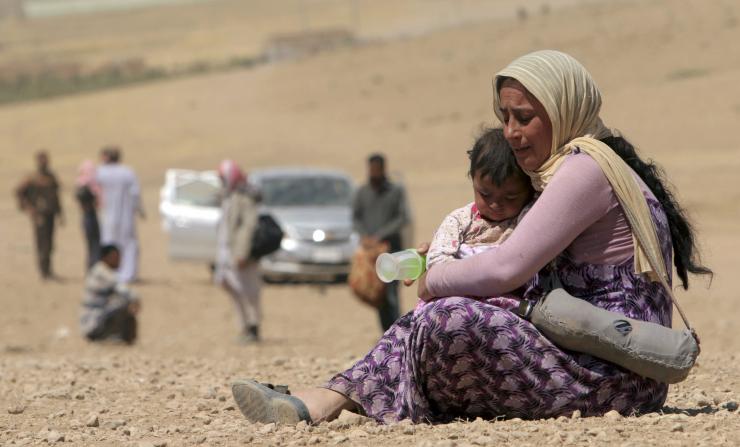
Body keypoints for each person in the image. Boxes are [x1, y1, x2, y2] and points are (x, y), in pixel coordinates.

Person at [230, 50, 712, 424]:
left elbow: (507, 269)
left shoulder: (586, 170)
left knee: (447, 318)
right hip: (588, 354)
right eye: (505, 117)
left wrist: (436, 277)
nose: (512, 132)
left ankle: (325, 400)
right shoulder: (584, 164)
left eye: (525, 117)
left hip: (614, 374)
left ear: (564, 108)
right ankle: (325, 400)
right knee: (445, 319)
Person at [417, 127, 534, 312]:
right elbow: (438, 260)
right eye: (485, 194)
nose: (496, 205)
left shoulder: (529, 217)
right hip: (454, 297)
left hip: (507, 305)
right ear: (473, 180)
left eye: (510, 197)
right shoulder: (459, 220)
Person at [352, 153, 409, 331]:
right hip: (371, 253)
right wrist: (365, 237)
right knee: (377, 294)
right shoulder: (362, 192)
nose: (374, 172)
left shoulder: (395, 191)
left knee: (392, 294)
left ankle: (398, 331)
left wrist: (380, 236)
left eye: (377, 169)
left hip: (392, 250)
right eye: (372, 169)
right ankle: (385, 334)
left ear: (383, 169)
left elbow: (402, 218)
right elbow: (356, 218)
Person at [214, 160, 262, 344]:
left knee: (249, 291)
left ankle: (253, 327)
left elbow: (248, 227)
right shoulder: (228, 196)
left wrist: (242, 253)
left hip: (240, 254)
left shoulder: (244, 197)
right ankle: (243, 326)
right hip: (226, 253)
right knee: (229, 286)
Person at [96, 146, 145, 284]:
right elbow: (135, 194)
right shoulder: (127, 172)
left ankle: (108, 274)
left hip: (108, 216)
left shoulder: (101, 172)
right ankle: (128, 274)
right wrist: (140, 210)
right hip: (126, 216)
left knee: (109, 244)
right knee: (128, 245)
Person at [14, 151, 64, 280]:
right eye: (42, 160)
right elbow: (19, 192)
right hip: (39, 215)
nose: (44, 162)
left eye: (46, 160)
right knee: (42, 243)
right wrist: (29, 209)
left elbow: (56, 196)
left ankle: (49, 270)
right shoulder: (32, 177)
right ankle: (44, 272)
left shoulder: (51, 177)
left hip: (50, 213)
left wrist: (60, 213)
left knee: (50, 243)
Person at [80, 244, 140, 344]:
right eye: (115, 257)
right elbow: (126, 292)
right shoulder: (102, 272)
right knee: (122, 303)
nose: (119, 261)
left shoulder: (100, 270)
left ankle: (114, 335)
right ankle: (110, 335)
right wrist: (136, 300)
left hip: (95, 319)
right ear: (106, 258)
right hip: (91, 322)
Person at [75, 160, 101, 271]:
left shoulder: (85, 185)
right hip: (89, 216)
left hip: (90, 216)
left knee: (94, 244)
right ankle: (93, 267)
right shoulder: (85, 186)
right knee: (93, 244)